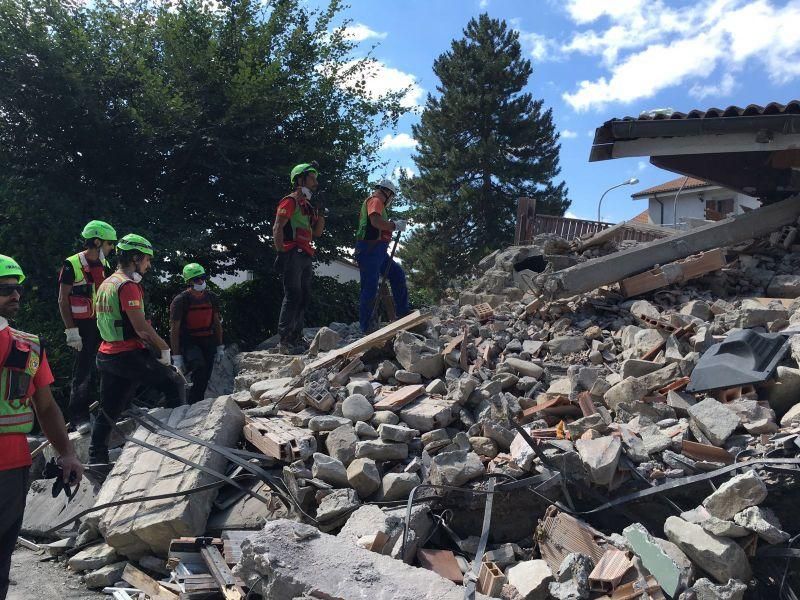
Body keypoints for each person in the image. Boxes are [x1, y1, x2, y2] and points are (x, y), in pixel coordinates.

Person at [0, 255, 82, 599]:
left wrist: (67, 453)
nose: (16, 295)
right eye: (6, 289)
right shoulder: (25, 346)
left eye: (17, 288)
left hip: (11, 468)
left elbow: (46, 407)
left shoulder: (28, 345)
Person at [89, 234, 185, 464]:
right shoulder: (128, 286)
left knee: (109, 409)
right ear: (135, 258)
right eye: (146, 260)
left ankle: (97, 458)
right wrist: (165, 350)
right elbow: (141, 328)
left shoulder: (107, 283)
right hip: (127, 354)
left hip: (107, 353)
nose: (148, 265)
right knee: (174, 383)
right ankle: (178, 442)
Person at [57, 219, 117, 431]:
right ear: (98, 242)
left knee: (110, 365)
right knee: (83, 371)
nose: (112, 248)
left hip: (102, 323)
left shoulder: (105, 265)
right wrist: (71, 331)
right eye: (110, 244)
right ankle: (79, 418)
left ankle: (114, 408)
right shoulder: (71, 264)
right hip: (82, 327)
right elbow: (63, 299)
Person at [272, 162, 325, 353]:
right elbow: (278, 227)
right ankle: (285, 340)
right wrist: (281, 252)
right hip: (292, 252)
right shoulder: (290, 201)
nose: (316, 183)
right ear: (300, 179)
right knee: (293, 295)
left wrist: (322, 214)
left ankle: (296, 336)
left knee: (303, 296)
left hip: (306, 254)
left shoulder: (308, 206)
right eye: (312, 178)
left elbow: (317, 232)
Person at [354, 179, 410, 333]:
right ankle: (366, 326)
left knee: (397, 274)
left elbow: (378, 222)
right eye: (391, 196)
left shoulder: (377, 203)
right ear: (387, 192)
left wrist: (392, 224)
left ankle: (403, 312)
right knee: (369, 287)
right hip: (370, 250)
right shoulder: (376, 200)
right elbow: (376, 221)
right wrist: (394, 225)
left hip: (377, 251)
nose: (391, 200)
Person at [169, 263, 224, 404]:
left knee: (205, 375)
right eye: (196, 279)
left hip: (208, 340)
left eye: (202, 278)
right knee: (199, 366)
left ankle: (196, 401)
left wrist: (219, 347)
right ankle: (191, 402)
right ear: (189, 282)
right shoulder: (180, 301)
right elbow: (174, 329)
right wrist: (177, 357)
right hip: (189, 341)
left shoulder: (211, 297)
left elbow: (217, 322)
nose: (200, 281)